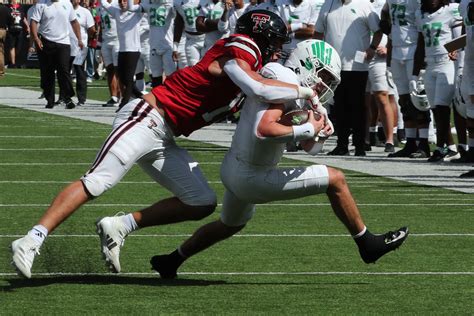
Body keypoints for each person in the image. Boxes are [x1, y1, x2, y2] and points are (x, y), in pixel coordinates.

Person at [10, 10, 319, 278]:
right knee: (98, 180)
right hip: (145, 117)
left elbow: (265, 106)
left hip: (165, 135)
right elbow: (258, 87)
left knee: (201, 201)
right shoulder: (242, 47)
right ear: (259, 36)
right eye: (276, 43)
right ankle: (32, 238)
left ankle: (120, 226)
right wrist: (305, 93)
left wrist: (311, 125)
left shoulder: (250, 66)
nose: (278, 51)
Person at [148, 40, 409, 279]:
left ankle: (172, 260)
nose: (323, 84)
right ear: (306, 64)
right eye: (323, 75)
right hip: (252, 176)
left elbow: (308, 148)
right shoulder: (283, 78)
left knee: (229, 224)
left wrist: (318, 134)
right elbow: (265, 130)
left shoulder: (292, 88)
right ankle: (368, 244)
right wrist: (308, 128)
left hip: (235, 169)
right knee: (336, 179)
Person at [315, 0, 382, 156]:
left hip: (357, 65)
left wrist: (372, 48)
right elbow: (318, 32)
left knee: (357, 105)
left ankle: (360, 145)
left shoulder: (364, 4)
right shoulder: (328, 4)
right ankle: (342, 144)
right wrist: (319, 54)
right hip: (333, 65)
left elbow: (378, 31)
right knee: (339, 106)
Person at [413, 0, 462, 162]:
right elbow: (420, 45)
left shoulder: (451, 10)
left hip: (447, 63)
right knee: (435, 109)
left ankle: (442, 147)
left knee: (442, 107)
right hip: (430, 64)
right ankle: (450, 147)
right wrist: (415, 74)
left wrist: (455, 48)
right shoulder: (420, 15)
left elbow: (465, 33)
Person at [30, 0, 84, 109]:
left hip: (63, 42)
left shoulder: (67, 3)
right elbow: (34, 22)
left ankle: (67, 97)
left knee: (64, 70)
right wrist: (36, 39)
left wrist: (79, 39)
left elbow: (74, 22)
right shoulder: (41, 4)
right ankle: (50, 99)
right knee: (47, 72)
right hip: (45, 41)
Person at [100, 0, 143, 108]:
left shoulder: (136, 11)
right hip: (122, 49)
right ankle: (141, 97)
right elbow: (104, 4)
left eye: (124, 1)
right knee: (122, 78)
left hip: (133, 49)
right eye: (120, 1)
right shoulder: (117, 12)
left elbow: (136, 6)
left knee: (128, 79)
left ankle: (124, 103)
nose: (122, 3)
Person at [127, 0, 176, 87]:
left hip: (168, 46)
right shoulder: (148, 3)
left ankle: (173, 99)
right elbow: (131, 8)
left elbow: (179, 16)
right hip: (153, 46)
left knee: (171, 78)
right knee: (156, 78)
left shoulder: (170, 3)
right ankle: (158, 100)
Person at [69, 0, 96, 107]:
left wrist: (86, 40)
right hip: (66, 44)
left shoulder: (85, 12)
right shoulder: (65, 9)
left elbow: (92, 29)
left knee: (79, 71)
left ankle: (81, 98)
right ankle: (64, 96)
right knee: (64, 71)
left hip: (80, 47)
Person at [99, 0, 121, 107]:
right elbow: (100, 25)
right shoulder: (101, 6)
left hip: (117, 39)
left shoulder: (117, 3)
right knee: (110, 69)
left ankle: (121, 95)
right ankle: (113, 96)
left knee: (118, 70)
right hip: (105, 40)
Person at [172, 0, 205, 67]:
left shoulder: (204, 1)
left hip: (207, 38)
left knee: (207, 68)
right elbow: (178, 25)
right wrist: (175, 47)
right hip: (191, 40)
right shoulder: (178, 3)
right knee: (194, 68)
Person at [0, 0, 14, 77]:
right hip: (3, 30)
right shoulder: (6, 9)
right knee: (1, 52)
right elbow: (12, 21)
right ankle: (1, 72)